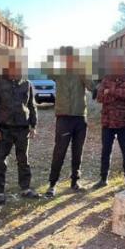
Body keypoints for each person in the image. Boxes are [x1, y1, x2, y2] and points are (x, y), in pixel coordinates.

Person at [45, 47, 96, 197]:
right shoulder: (58, 73)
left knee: (77, 152)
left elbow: (92, 87)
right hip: (64, 118)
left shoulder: (82, 72)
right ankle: (52, 184)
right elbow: (48, 71)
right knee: (59, 151)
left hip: (80, 117)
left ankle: (75, 182)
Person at [0, 52, 39, 205]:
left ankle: (25, 188)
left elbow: (32, 106)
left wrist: (33, 125)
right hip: (4, 129)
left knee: (23, 159)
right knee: (0, 161)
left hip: (22, 128)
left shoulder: (27, 84)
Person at [93, 48, 125, 190]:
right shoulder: (107, 78)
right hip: (108, 122)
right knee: (105, 152)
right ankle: (103, 179)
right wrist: (110, 92)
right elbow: (100, 97)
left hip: (124, 123)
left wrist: (110, 91)